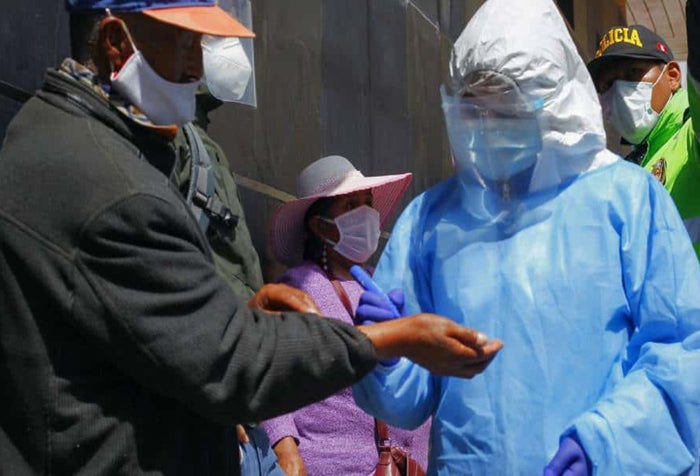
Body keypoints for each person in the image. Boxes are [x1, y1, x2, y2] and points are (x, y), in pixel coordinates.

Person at [0, 0, 502, 474]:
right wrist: (395, 338)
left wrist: (235, 317)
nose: (197, 69)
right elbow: (235, 364)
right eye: (184, 44)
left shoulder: (54, 135)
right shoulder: (117, 191)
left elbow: (141, 327)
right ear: (116, 43)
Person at [351, 0, 700, 474]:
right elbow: (408, 404)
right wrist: (387, 354)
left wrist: (608, 442)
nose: (488, 124)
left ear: (553, 101)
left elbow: (683, 350)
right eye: (474, 108)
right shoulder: (431, 221)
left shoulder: (626, 199)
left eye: (505, 106)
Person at [262, 155, 431, 476]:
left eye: (368, 202)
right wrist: (285, 449)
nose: (365, 213)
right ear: (319, 226)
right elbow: (268, 377)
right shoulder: (298, 289)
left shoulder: (386, 284)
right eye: (350, 205)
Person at [587, 21, 700, 258]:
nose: (619, 91)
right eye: (607, 85)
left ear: (672, 76)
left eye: (632, 73)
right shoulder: (626, 170)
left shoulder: (692, 135)